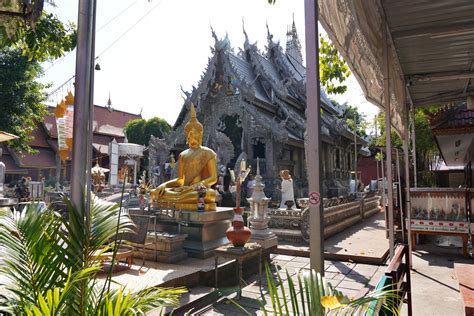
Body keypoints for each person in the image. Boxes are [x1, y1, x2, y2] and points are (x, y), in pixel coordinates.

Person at [150, 103, 218, 211]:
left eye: (193, 134)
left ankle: (177, 199)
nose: (191, 137)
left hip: (197, 190)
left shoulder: (208, 153)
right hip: (184, 190)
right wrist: (164, 185)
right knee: (155, 193)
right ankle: (178, 199)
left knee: (210, 195)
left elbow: (213, 178)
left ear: (200, 134)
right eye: (188, 135)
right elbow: (181, 180)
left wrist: (195, 187)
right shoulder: (183, 154)